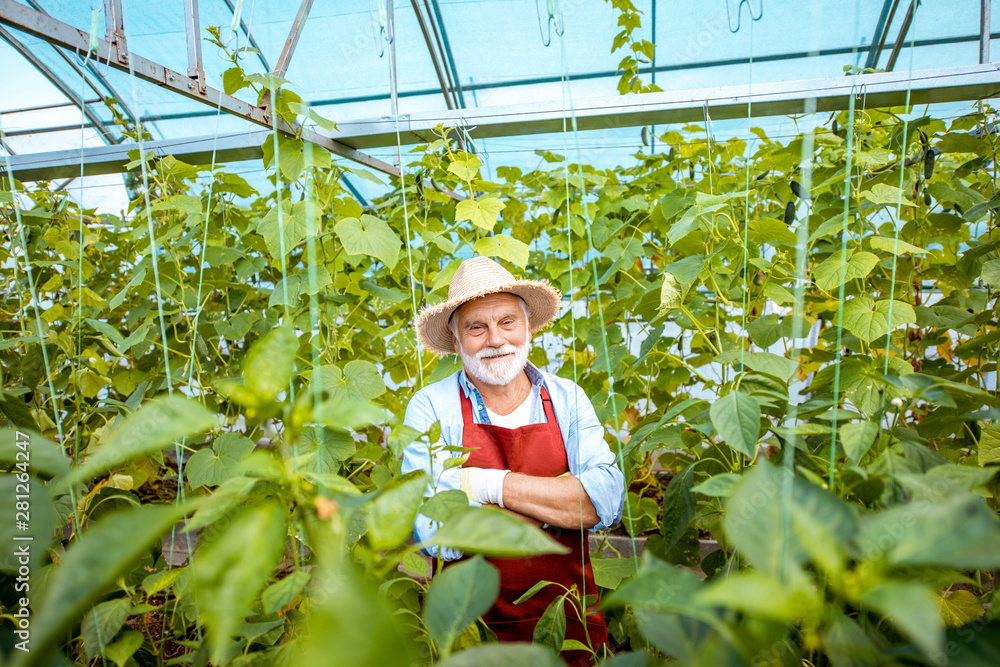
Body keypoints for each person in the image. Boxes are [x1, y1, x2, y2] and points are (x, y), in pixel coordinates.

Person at [400, 256, 626, 665]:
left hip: (568, 624)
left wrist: (482, 486)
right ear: (455, 341)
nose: (495, 339)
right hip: (472, 633)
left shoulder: (566, 398)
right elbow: (431, 527)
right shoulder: (430, 407)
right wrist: (555, 505)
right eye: (476, 327)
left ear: (527, 329)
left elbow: (602, 502)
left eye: (507, 322)